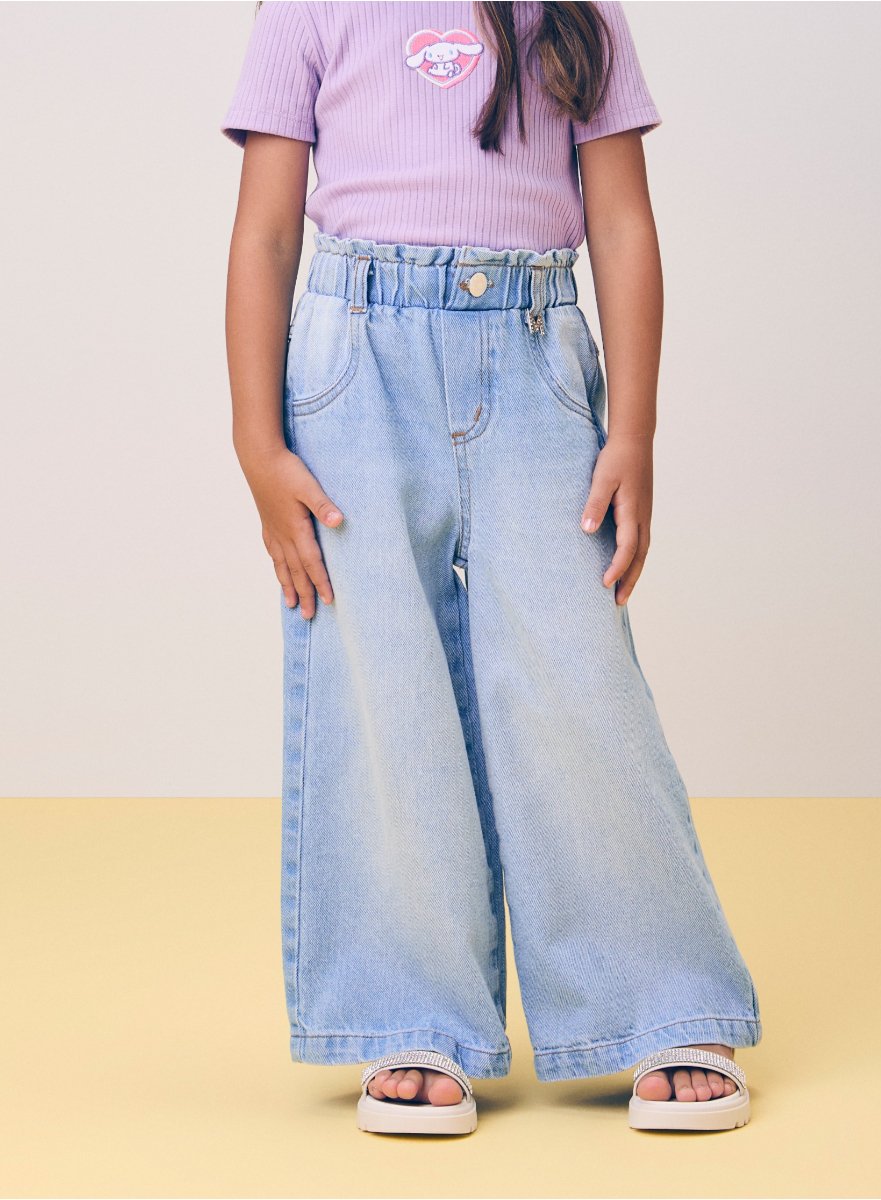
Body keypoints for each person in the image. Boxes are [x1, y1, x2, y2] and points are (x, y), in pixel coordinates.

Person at [220, 0, 762, 1135]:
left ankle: (652, 1000)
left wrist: (633, 431)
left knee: (578, 684)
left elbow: (621, 222)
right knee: (384, 689)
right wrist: (257, 445)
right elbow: (266, 232)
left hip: (534, 362)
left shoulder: (577, 11)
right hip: (354, 374)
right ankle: (409, 1013)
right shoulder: (309, 7)